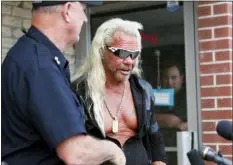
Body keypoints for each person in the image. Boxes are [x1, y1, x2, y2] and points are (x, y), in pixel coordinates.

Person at [1, 1, 126, 165]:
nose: (85, 19)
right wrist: (114, 151)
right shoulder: (40, 66)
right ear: (67, 11)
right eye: (83, 9)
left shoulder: (30, 55)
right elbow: (76, 152)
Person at [72, 18, 168, 165]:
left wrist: (159, 160)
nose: (129, 61)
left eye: (134, 54)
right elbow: (69, 145)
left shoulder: (143, 90)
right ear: (102, 51)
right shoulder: (79, 91)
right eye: (122, 53)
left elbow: (155, 136)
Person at [155, 61, 187, 131]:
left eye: (173, 78)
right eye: (166, 78)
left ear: (181, 78)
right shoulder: (158, 95)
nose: (169, 82)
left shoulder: (187, 96)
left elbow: (172, 121)